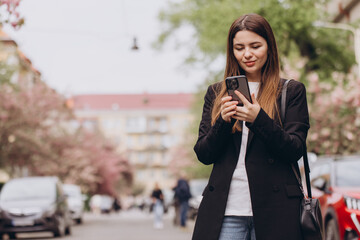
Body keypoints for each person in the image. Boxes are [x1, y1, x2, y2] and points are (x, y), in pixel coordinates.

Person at [192, 13, 309, 240]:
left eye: (255, 46)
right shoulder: (216, 93)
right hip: (226, 210)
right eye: (239, 47)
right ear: (232, 51)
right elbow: (204, 154)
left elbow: (294, 149)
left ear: (269, 47)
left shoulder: (291, 91)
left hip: (275, 209)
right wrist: (223, 123)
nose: (247, 54)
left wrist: (259, 120)